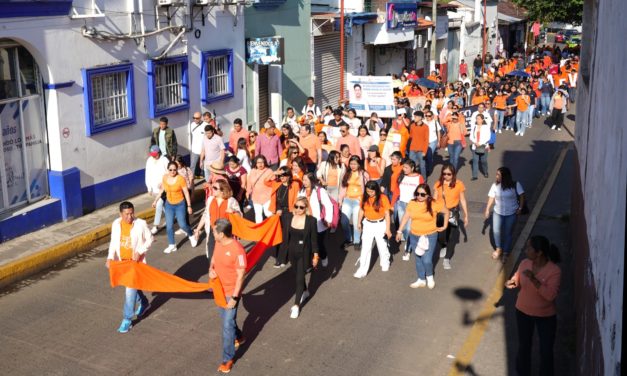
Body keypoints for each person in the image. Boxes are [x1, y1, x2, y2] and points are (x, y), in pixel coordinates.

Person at [505, 236, 561, 376]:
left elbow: (550, 296)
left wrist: (533, 279)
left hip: (546, 317)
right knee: (524, 346)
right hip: (522, 312)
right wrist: (512, 282)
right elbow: (517, 277)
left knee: (546, 350)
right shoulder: (525, 263)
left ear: (539, 252)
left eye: (529, 248)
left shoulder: (554, 271)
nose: (525, 250)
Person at [106, 201, 152, 333]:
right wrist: (110, 257)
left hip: (135, 264)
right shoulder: (116, 224)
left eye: (132, 213)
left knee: (129, 291)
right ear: (120, 214)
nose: (130, 217)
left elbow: (150, 239)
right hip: (122, 263)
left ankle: (127, 319)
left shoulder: (140, 224)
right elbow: (114, 242)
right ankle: (144, 302)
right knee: (131, 287)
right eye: (126, 214)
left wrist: (140, 251)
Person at [209, 219, 246, 374]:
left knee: (226, 326)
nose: (212, 234)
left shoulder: (237, 250)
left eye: (214, 231)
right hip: (219, 290)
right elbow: (213, 259)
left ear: (222, 234)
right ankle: (239, 336)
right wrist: (211, 269)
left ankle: (227, 359)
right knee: (227, 321)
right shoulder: (218, 243)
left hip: (231, 292)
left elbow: (241, 276)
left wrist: (235, 298)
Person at [396, 184, 448, 289]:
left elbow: (446, 212)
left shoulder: (434, 204)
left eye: (422, 194)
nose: (419, 196)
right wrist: (399, 231)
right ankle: (421, 279)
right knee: (418, 258)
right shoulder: (412, 203)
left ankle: (429, 276)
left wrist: (444, 226)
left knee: (427, 260)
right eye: (417, 193)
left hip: (430, 236)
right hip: (415, 235)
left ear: (428, 195)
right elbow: (406, 217)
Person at [278, 197, 319, 319]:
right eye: (296, 206)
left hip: (304, 252)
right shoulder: (288, 217)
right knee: (298, 275)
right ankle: (305, 291)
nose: (298, 209)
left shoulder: (311, 221)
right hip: (291, 252)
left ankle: (296, 306)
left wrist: (316, 256)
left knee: (299, 278)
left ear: (306, 208)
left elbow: (314, 241)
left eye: (301, 207)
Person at [152, 162, 198, 253]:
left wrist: (189, 206)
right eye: (170, 170)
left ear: (177, 170)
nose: (172, 171)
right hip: (169, 204)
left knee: (183, 224)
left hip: (180, 204)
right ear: (167, 169)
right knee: (169, 226)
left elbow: (185, 193)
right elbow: (162, 190)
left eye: (174, 169)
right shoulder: (165, 177)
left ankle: (191, 235)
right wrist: (155, 200)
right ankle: (172, 245)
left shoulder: (180, 179)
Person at [432, 163, 469, 270]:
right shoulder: (438, 184)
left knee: (452, 237)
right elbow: (434, 199)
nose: (446, 176)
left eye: (449, 174)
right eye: (444, 174)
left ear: (453, 174)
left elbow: (462, 199)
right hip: (440, 213)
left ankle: (447, 258)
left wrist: (466, 215)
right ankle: (443, 245)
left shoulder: (459, 184)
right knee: (441, 236)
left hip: (453, 213)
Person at [484, 167, 525, 261]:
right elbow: (491, 197)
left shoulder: (515, 184)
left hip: (511, 213)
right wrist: (487, 209)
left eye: (498, 174)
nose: (496, 176)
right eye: (496, 174)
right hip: (498, 213)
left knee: (507, 233)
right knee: (496, 231)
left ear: (505, 176)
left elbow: (522, 196)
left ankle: (506, 252)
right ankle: (498, 249)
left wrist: (520, 208)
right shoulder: (495, 185)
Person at [195, 180, 242, 260]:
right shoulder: (210, 200)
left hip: (226, 234)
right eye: (212, 187)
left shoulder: (231, 201)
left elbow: (240, 216)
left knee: (226, 257)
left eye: (215, 188)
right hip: (213, 232)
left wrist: (233, 211)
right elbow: (205, 215)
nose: (212, 189)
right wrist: (198, 229)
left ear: (222, 191)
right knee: (211, 256)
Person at [354, 181, 392, 278]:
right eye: (367, 191)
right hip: (367, 224)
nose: (369, 193)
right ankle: (362, 269)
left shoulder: (383, 198)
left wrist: (388, 229)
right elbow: (362, 210)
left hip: (380, 224)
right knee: (366, 247)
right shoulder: (364, 197)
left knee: (382, 245)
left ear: (376, 190)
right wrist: (359, 222)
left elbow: (387, 214)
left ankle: (385, 262)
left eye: (371, 191)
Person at [266, 166, 301, 267]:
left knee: (285, 236)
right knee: (277, 235)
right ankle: (279, 257)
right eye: (280, 175)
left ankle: (282, 259)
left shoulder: (295, 184)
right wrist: (274, 173)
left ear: (289, 176)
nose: (282, 177)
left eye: (284, 175)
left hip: (289, 213)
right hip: (278, 213)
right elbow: (266, 181)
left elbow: (297, 198)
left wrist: (295, 211)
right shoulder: (277, 183)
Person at [299, 173, 333, 266]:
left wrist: (328, 219)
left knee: (318, 244)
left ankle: (323, 256)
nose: (304, 182)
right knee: (307, 243)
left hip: (318, 222)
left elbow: (328, 205)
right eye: (303, 180)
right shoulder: (301, 191)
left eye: (306, 180)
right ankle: (310, 262)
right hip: (305, 222)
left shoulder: (320, 190)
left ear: (312, 180)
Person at [395, 159, 425, 260]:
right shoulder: (402, 176)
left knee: (408, 229)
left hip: (412, 205)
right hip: (401, 204)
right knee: (402, 227)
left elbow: (423, 191)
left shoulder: (419, 178)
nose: (404, 169)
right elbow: (396, 190)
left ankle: (407, 250)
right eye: (403, 167)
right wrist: (392, 204)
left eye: (406, 167)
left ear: (412, 168)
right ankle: (410, 241)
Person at [339, 156, 370, 249]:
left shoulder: (364, 174)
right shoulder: (346, 173)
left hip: (358, 200)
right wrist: (340, 200)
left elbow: (369, 188)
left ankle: (357, 240)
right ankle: (349, 238)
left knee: (357, 221)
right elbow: (342, 187)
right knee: (344, 221)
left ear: (359, 164)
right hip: (347, 199)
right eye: (351, 164)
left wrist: (366, 200)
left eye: (355, 164)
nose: (352, 166)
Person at [145, 145, 169, 235]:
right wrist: (149, 187)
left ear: (159, 153)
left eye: (155, 154)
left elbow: (169, 172)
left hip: (163, 189)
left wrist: (164, 182)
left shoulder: (164, 160)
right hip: (154, 189)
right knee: (163, 206)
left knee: (159, 205)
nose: (153, 156)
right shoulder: (149, 160)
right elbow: (148, 174)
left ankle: (155, 226)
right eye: (152, 154)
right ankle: (169, 218)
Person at [246, 155, 275, 223]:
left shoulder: (269, 171)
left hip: (267, 196)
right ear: (255, 163)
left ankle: (272, 228)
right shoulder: (252, 171)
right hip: (256, 197)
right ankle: (260, 231)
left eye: (262, 162)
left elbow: (274, 183)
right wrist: (247, 192)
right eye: (258, 162)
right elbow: (249, 182)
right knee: (258, 215)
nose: (260, 164)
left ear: (265, 162)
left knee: (268, 213)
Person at [408, 111, 430, 179]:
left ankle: (423, 180)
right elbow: (411, 136)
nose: (414, 118)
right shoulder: (412, 125)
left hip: (421, 150)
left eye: (415, 116)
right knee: (412, 165)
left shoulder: (426, 127)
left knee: (422, 166)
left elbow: (426, 140)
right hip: (412, 149)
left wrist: (424, 151)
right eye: (414, 116)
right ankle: (413, 179)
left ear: (420, 118)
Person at [469, 114, 491, 180]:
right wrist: (475, 142)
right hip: (475, 146)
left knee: (483, 161)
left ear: (482, 120)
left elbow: (488, 137)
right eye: (476, 118)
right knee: (475, 161)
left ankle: (485, 172)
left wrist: (480, 143)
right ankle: (475, 176)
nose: (477, 120)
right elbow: (471, 136)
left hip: (483, 146)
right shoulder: (474, 127)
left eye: (479, 119)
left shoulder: (486, 127)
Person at [189, 112, 205, 176]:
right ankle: (191, 181)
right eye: (194, 118)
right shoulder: (192, 125)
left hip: (203, 150)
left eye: (197, 118)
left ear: (201, 118)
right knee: (192, 166)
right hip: (194, 150)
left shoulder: (205, 125)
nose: (195, 119)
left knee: (204, 167)